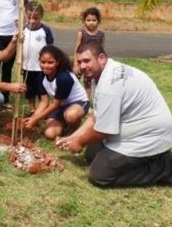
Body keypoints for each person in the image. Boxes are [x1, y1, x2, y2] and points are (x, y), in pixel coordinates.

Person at [57, 42, 172, 187]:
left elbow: (104, 131)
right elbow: (96, 115)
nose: (82, 66)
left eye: (87, 61)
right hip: (134, 126)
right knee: (92, 154)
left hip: (150, 134)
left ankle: (164, 167)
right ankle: (150, 157)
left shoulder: (108, 86)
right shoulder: (100, 74)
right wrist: (73, 137)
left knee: (99, 175)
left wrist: (79, 142)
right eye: (79, 62)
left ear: (102, 58)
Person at [24, 45, 89, 140]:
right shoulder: (41, 76)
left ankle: (74, 128)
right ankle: (64, 123)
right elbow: (44, 101)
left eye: (50, 62)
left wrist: (35, 119)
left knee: (71, 115)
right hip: (61, 106)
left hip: (78, 103)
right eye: (43, 62)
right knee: (50, 134)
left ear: (57, 62)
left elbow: (55, 105)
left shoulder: (64, 78)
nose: (46, 66)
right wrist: (33, 118)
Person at [22, 1, 54, 114]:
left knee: (42, 89)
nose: (32, 21)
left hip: (41, 67)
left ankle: (43, 109)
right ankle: (32, 108)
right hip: (27, 67)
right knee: (29, 89)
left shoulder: (45, 30)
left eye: (36, 18)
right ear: (25, 14)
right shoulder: (23, 31)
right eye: (29, 17)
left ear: (41, 16)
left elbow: (50, 47)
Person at [73, 7, 105, 98]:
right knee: (75, 79)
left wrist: (102, 63)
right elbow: (77, 47)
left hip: (92, 63)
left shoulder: (101, 35)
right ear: (84, 21)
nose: (91, 22)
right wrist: (76, 63)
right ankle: (74, 98)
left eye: (94, 20)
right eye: (88, 20)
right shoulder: (81, 33)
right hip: (81, 61)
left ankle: (87, 101)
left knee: (88, 82)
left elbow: (102, 49)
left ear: (98, 21)